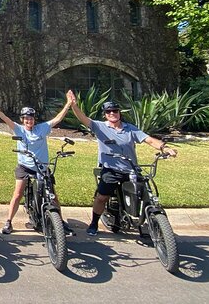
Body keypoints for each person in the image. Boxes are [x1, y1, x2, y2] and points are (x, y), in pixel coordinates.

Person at [67, 90, 178, 236]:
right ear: (105, 114)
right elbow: (83, 118)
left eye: (115, 111)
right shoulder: (100, 127)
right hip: (111, 169)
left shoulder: (130, 129)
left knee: (145, 193)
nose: (112, 113)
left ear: (119, 113)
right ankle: (94, 223)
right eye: (109, 112)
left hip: (131, 170)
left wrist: (165, 148)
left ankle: (148, 219)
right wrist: (73, 105)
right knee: (102, 197)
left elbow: (149, 140)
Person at [0, 96, 74, 236]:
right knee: (17, 194)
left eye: (31, 118)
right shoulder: (19, 130)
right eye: (26, 118)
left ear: (34, 119)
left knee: (53, 195)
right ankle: (9, 221)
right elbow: (5, 118)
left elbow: (57, 119)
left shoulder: (42, 128)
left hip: (42, 167)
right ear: (22, 120)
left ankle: (60, 220)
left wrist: (68, 104)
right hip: (25, 167)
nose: (29, 121)